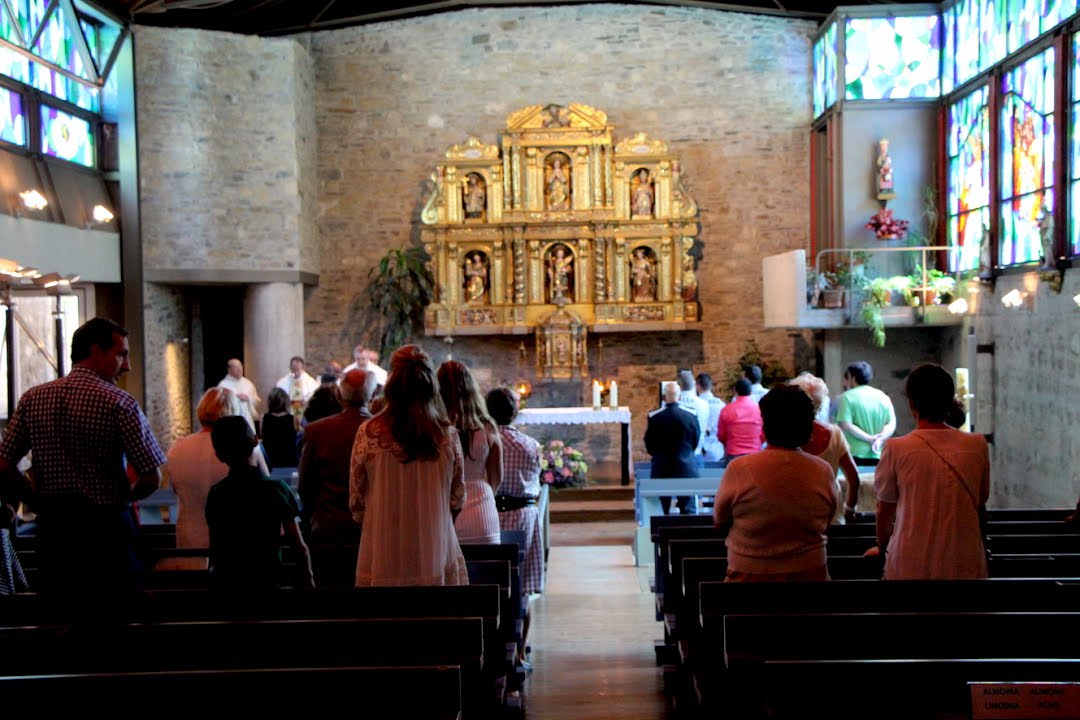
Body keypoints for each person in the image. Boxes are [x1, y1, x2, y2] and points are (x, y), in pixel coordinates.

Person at [0, 317, 166, 591]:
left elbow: (4, 465)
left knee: (59, 620)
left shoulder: (33, 398)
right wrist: (120, 500)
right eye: (121, 354)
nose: (127, 365)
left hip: (55, 534)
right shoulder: (119, 402)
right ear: (95, 351)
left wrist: (36, 500)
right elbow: (151, 476)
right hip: (108, 536)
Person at [350, 345, 468, 586]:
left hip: (384, 552)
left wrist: (387, 518)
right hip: (435, 547)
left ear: (392, 386)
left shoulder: (369, 434)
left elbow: (357, 501)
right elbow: (456, 499)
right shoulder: (447, 436)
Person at [874, 364, 991, 580]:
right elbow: (979, 504)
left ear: (911, 403)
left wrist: (882, 550)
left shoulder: (896, 448)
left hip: (910, 562)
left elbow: (885, 511)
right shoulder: (977, 445)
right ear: (950, 400)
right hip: (964, 560)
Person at [713, 385, 838, 582]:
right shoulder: (822, 471)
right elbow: (828, 519)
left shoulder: (740, 468)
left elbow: (720, 520)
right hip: (811, 581)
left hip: (749, 580)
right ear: (807, 426)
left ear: (766, 425)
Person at [165, 387, 269, 570]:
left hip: (191, 541)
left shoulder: (177, 449)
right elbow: (265, 488)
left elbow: (176, 489)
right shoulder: (246, 448)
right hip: (238, 544)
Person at [206, 417, 314, 589]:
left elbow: (216, 548)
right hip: (269, 582)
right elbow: (298, 546)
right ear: (256, 441)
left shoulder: (216, 493)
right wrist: (308, 580)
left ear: (219, 455)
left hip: (230, 586)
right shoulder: (277, 489)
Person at [299, 369, 375, 551]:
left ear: (341, 394)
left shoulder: (316, 431)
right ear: (371, 395)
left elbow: (305, 486)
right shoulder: (382, 432)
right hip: (371, 528)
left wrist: (312, 517)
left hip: (328, 526)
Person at [439, 360, 502, 545]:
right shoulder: (487, 426)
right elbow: (496, 478)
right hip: (482, 513)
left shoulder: (435, 428)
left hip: (444, 513)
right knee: (486, 572)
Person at [789, 373, 862, 523]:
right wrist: (849, 509)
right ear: (821, 405)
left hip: (796, 516)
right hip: (830, 512)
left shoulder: (784, 435)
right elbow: (853, 478)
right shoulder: (834, 434)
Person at [645, 382, 700, 515]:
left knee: (660, 509)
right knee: (688, 509)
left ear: (664, 397)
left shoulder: (655, 417)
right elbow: (695, 440)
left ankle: (659, 535)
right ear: (679, 397)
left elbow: (650, 444)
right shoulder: (690, 415)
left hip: (662, 468)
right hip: (685, 467)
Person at [835, 361, 896, 466]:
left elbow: (846, 425)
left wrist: (869, 438)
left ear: (851, 377)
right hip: (878, 452)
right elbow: (891, 423)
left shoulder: (847, 397)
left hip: (854, 453)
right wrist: (880, 439)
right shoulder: (883, 397)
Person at [717, 379, 764, 467]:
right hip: (755, 454)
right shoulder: (759, 410)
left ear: (735, 391)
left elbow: (721, 435)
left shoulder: (726, 410)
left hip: (733, 455)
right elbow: (764, 434)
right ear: (751, 392)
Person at [261, 387, 299, 470]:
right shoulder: (293, 419)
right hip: (290, 463)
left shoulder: (263, 418)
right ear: (286, 401)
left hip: (270, 464)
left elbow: (262, 436)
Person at [217, 358, 260, 432]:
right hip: (231, 422)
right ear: (229, 370)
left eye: (240, 366)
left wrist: (248, 398)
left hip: (247, 420)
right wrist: (234, 398)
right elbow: (219, 404)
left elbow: (257, 400)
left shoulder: (248, 383)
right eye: (236, 367)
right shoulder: (223, 385)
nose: (239, 369)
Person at [696, 373, 726, 462]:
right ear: (711, 387)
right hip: (718, 450)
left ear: (698, 386)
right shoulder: (722, 404)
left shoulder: (695, 404)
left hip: (699, 449)